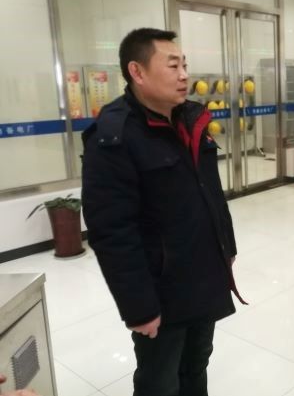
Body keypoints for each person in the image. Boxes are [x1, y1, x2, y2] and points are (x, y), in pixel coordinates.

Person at [82, 28, 244, 396]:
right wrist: (139, 308)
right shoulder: (114, 136)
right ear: (137, 72)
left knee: (196, 365)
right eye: (173, 66)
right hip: (160, 291)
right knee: (159, 380)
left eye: (184, 65)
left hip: (202, 276)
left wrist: (227, 249)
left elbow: (211, 194)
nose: (184, 75)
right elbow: (111, 232)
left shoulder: (191, 119)